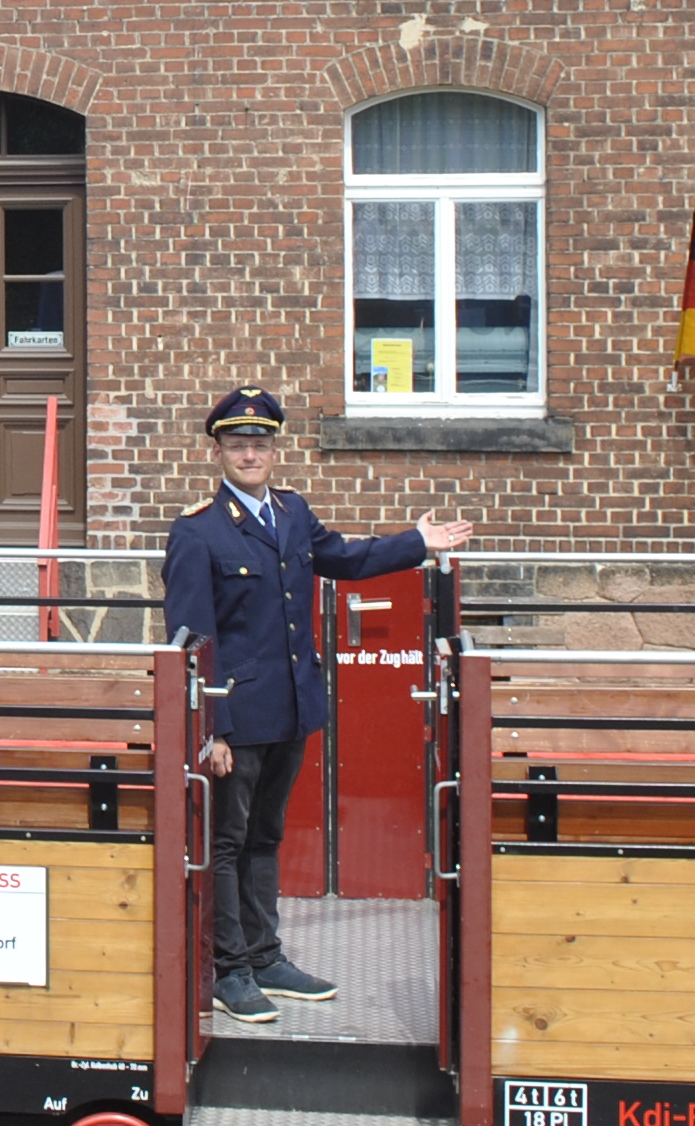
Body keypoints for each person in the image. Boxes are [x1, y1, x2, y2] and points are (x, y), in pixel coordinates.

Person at [160, 386, 471, 1030]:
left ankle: (266, 955)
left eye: (261, 443)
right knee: (226, 843)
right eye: (239, 444)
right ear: (218, 450)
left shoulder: (292, 514)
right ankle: (230, 970)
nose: (251, 454)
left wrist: (417, 541)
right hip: (234, 716)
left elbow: (346, 559)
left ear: (275, 449)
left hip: (293, 708)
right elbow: (190, 634)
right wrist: (209, 727)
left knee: (266, 837)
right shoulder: (197, 531)